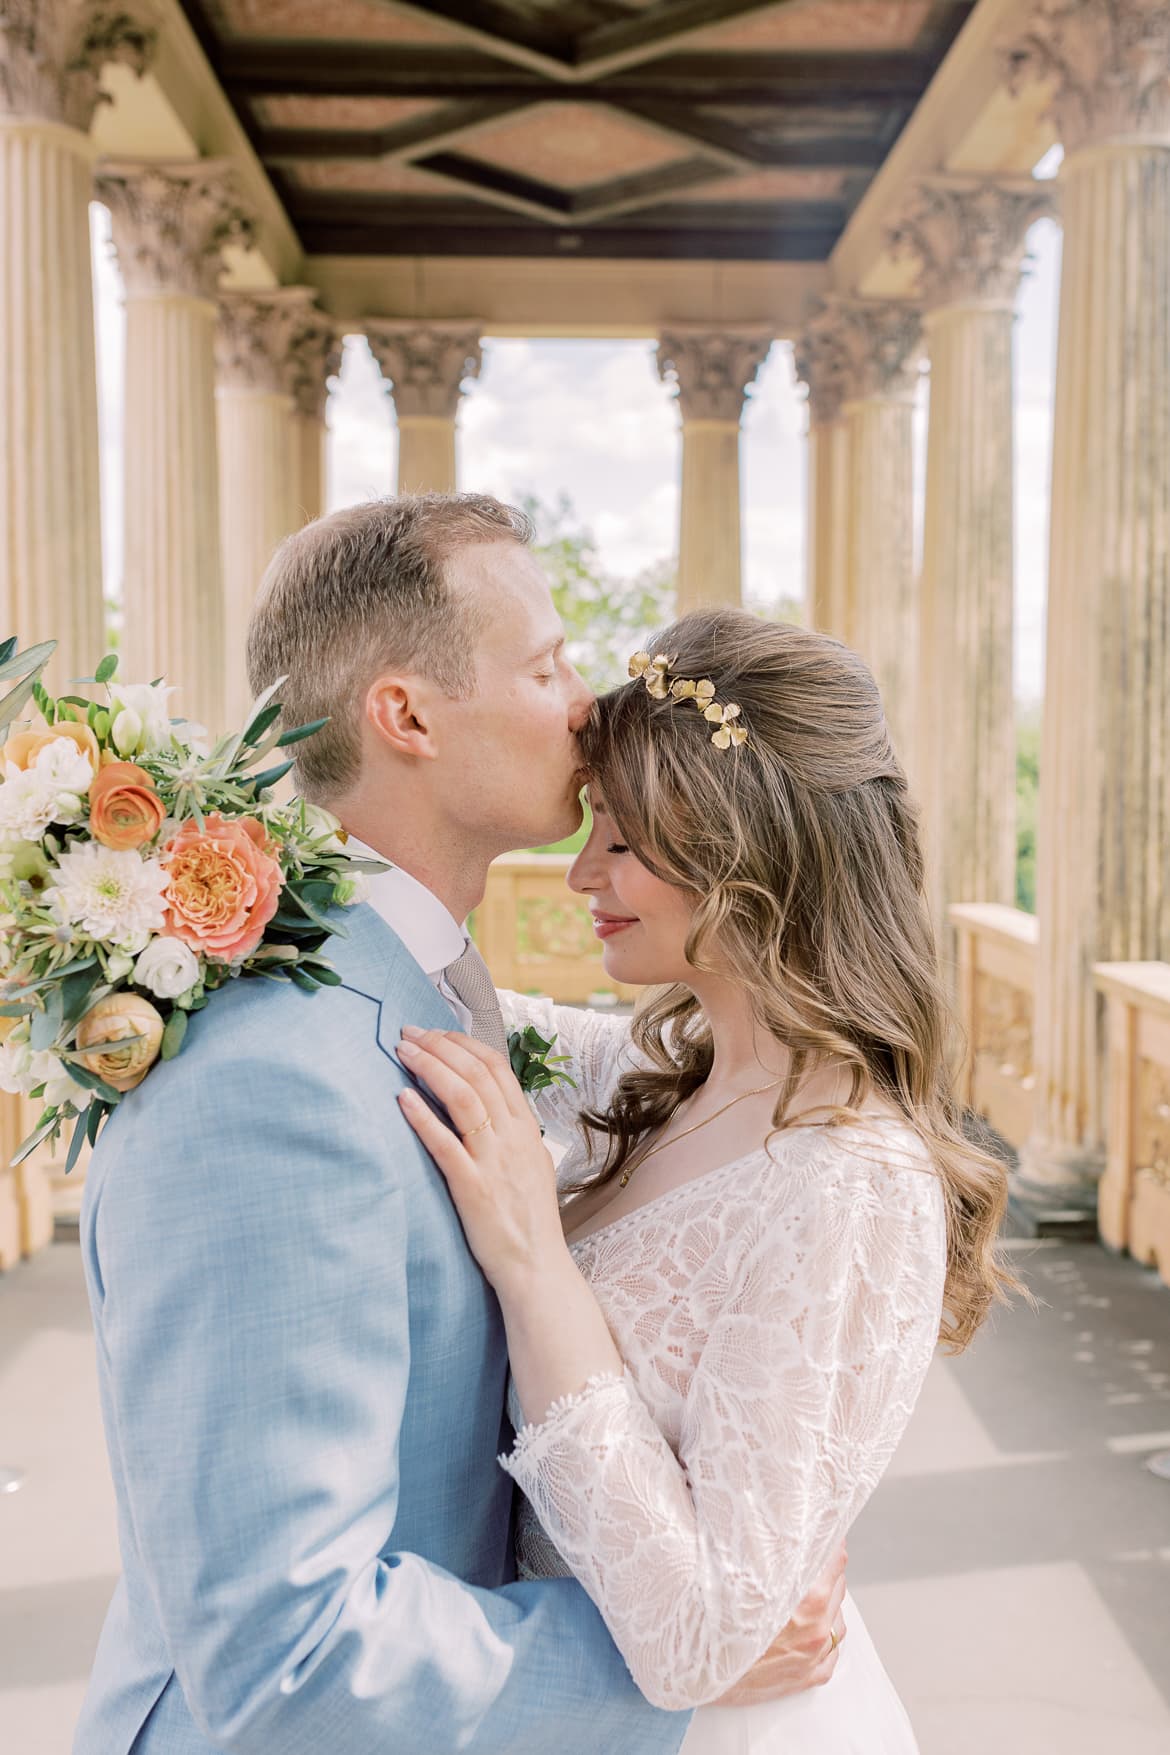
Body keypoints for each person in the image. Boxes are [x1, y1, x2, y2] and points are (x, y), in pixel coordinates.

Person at [75, 497, 843, 1755]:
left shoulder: (412, 995)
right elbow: (288, 1657)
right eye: (546, 666)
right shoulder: (273, 1082)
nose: (589, 704)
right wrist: (686, 1654)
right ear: (408, 716)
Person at [397, 607, 1014, 1752]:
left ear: (749, 854)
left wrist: (536, 1268)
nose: (581, 871)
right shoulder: (655, 1076)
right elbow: (426, 992)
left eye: (623, 841)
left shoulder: (851, 1184)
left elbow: (699, 1642)